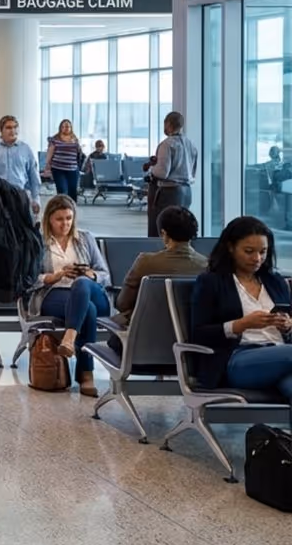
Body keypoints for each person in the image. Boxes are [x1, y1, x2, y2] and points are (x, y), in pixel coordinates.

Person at [189, 216, 292, 401]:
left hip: (280, 354)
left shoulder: (275, 282)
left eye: (263, 252)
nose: (257, 258)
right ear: (230, 247)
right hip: (238, 359)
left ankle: (275, 432)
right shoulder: (211, 282)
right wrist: (240, 325)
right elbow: (198, 333)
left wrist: (288, 325)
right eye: (249, 251)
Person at [28, 195, 111, 397]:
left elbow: (104, 275)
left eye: (69, 218)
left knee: (82, 284)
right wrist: (56, 276)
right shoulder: (39, 242)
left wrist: (89, 274)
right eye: (59, 219)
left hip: (89, 291)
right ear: (49, 219)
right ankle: (86, 375)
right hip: (55, 293)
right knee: (88, 310)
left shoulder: (85, 238)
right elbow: (28, 279)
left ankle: (69, 337)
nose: (65, 224)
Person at [112, 205, 206, 328]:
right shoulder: (206, 266)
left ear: (164, 233)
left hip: (145, 333)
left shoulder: (146, 262)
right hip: (190, 337)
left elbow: (123, 304)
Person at [147, 112, 199, 238]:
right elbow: (193, 170)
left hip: (169, 192)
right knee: (180, 229)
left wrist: (151, 168)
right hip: (186, 192)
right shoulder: (190, 144)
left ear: (168, 124)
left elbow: (162, 172)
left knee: (163, 228)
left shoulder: (167, 144)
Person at [0, 114, 39, 213]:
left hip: (19, 194)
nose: (13, 130)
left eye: (15, 127)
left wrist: (36, 199)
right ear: (1, 130)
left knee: (20, 227)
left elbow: (33, 175)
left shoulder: (25, 149)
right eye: (8, 127)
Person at [44, 119, 86, 201]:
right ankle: (62, 210)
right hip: (58, 169)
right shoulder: (55, 139)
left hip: (73, 169)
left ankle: (72, 210)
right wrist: (47, 166)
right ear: (60, 128)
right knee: (62, 191)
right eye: (63, 126)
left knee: (73, 192)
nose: (65, 128)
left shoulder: (75, 139)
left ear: (71, 128)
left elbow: (79, 153)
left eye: (67, 126)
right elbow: (50, 153)